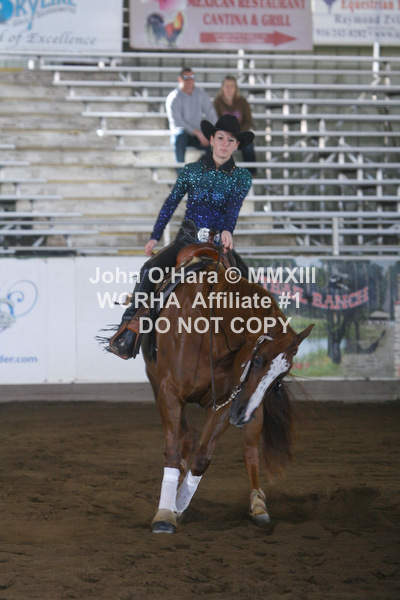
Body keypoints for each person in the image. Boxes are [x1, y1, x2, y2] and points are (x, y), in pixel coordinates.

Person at [108, 114, 254, 360]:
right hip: (187, 239)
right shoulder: (191, 171)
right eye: (221, 138)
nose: (225, 144)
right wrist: (155, 236)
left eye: (231, 140)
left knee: (250, 285)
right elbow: (171, 203)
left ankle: (250, 346)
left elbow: (233, 208)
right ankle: (129, 329)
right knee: (150, 270)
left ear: (236, 145)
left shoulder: (242, 177)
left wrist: (228, 229)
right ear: (211, 139)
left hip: (218, 243)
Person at [165, 67, 217, 166]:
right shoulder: (173, 97)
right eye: (186, 77)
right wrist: (197, 133)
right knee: (179, 137)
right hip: (182, 134)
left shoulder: (201, 94)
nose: (189, 80)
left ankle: (193, 170)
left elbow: (211, 114)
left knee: (217, 146)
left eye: (192, 77)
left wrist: (212, 133)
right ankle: (180, 172)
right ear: (180, 79)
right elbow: (178, 122)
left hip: (197, 135)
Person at [213, 76, 257, 170]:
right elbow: (215, 121)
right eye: (227, 86)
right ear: (222, 88)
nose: (229, 89)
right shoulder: (217, 102)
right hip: (224, 136)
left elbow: (248, 121)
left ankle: (251, 173)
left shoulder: (242, 102)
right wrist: (227, 134)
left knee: (249, 146)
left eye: (232, 86)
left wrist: (237, 133)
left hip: (239, 135)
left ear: (236, 88)